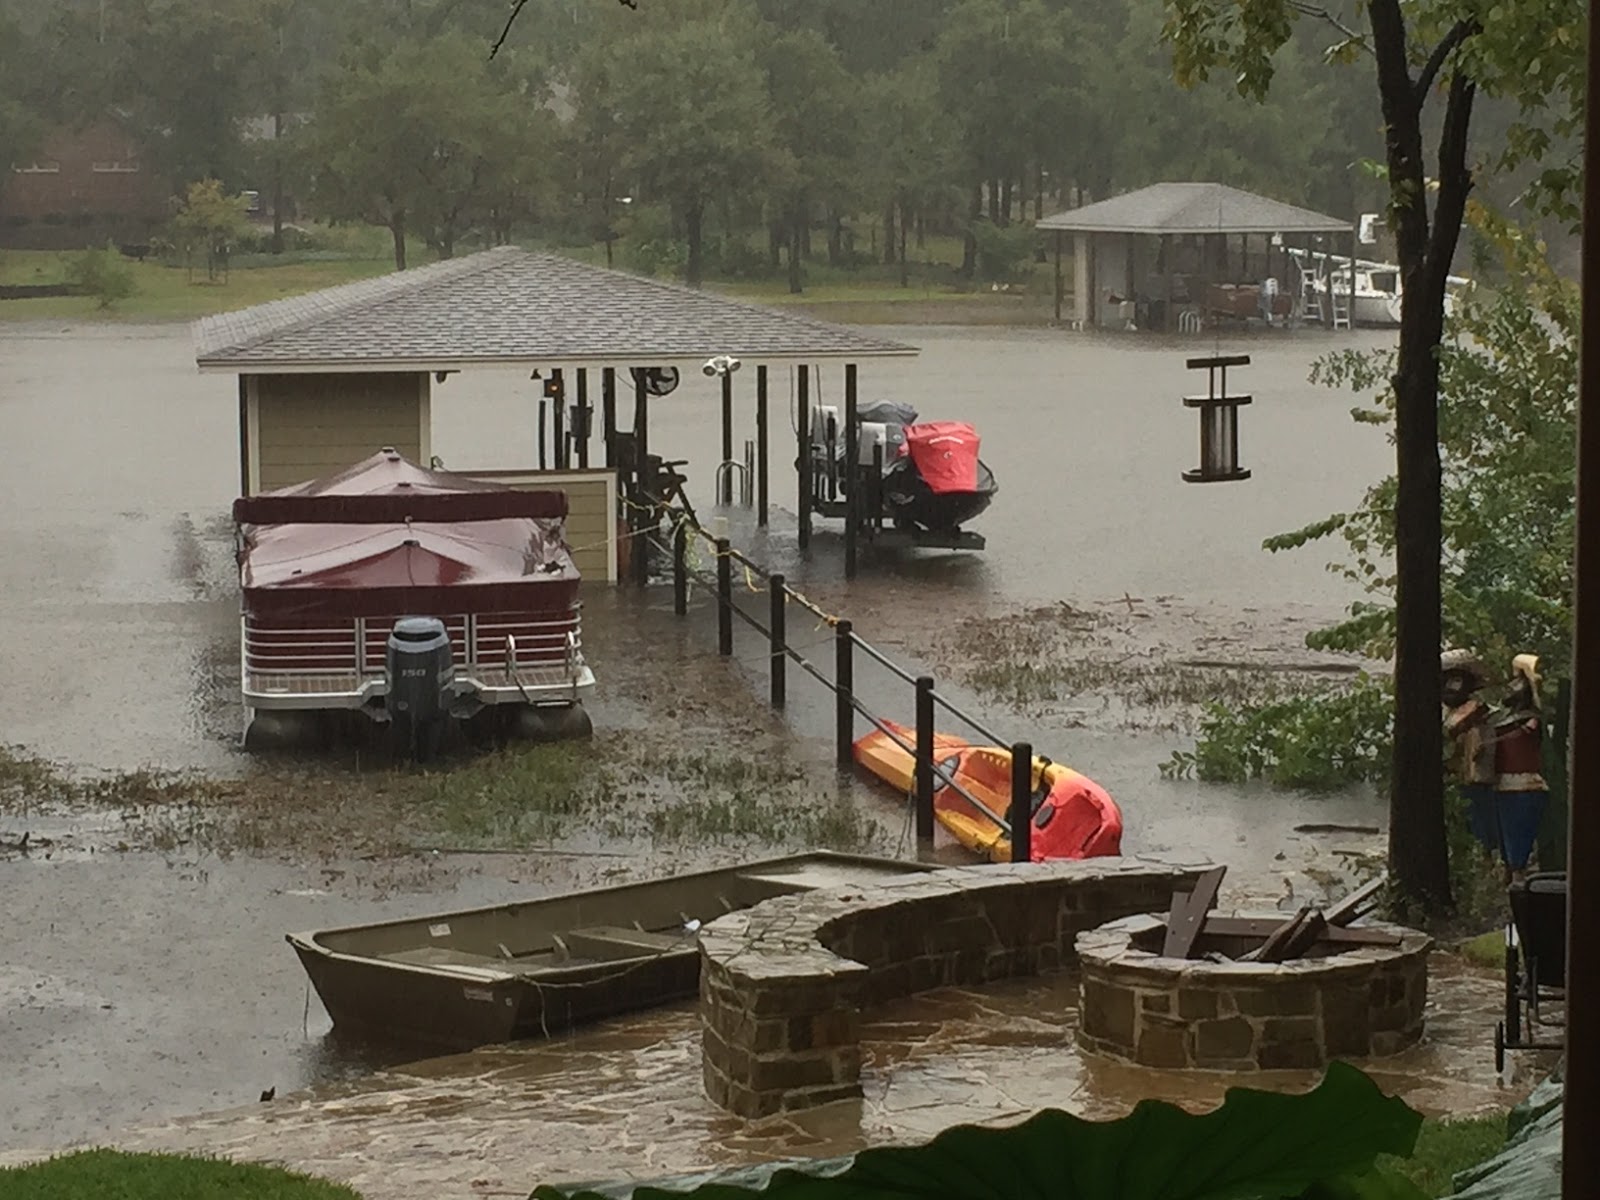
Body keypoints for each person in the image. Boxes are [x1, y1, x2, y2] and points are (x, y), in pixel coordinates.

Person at [1492, 654, 1548, 881]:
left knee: (1519, 835)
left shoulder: (1531, 720)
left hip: (1525, 784)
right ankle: (1511, 869)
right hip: (1502, 785)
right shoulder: (1501, 719)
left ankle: (1518, 871)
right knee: (1507, 834)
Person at [1441, 649, 1497, 853]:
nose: (1449, 688)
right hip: (1457, 782)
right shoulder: (1449, 714)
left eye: (1455, 681)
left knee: (1480, 832)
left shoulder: (1476, 712)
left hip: (1476, 781)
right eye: (1445, 681)